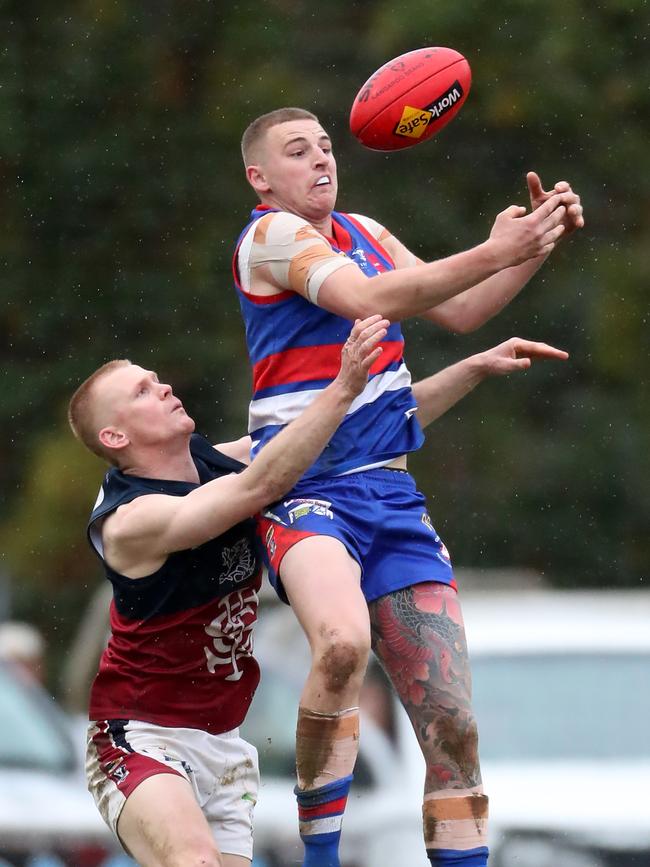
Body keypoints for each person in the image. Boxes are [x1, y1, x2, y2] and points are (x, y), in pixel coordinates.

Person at [233, 107, 583, 867]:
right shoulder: (270, 237)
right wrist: (495, 246)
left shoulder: (364, 226)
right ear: (260, 178)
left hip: (392, 500)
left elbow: (456, 308)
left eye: (326, 146)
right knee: (341, 643)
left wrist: (533, 244)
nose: (321, 159)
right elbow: (367, 300)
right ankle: (319, 858)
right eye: (298, 151)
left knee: (453, 724)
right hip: (307, 491)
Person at [67, 315, 389, 867]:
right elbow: (262, 484)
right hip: (142, 737)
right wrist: (342, 385)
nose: (164, 386)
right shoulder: (130, 520)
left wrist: (472, 367)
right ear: (115, 437)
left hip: (226, 745)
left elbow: (362, 435)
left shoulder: (218, 464)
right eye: (142, 391)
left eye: (156, 378)